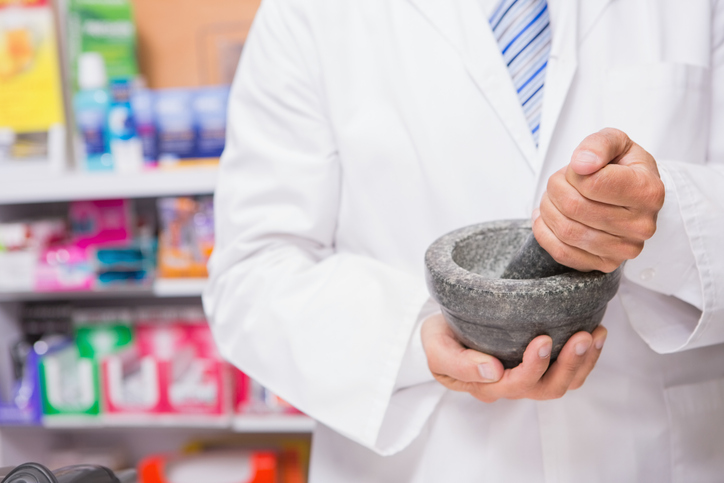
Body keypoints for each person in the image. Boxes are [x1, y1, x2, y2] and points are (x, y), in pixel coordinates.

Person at [203, 0, 724, 481]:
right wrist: (412, 340)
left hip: (648, 455)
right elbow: (252, 270)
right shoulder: (308, 13)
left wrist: (663, 215)